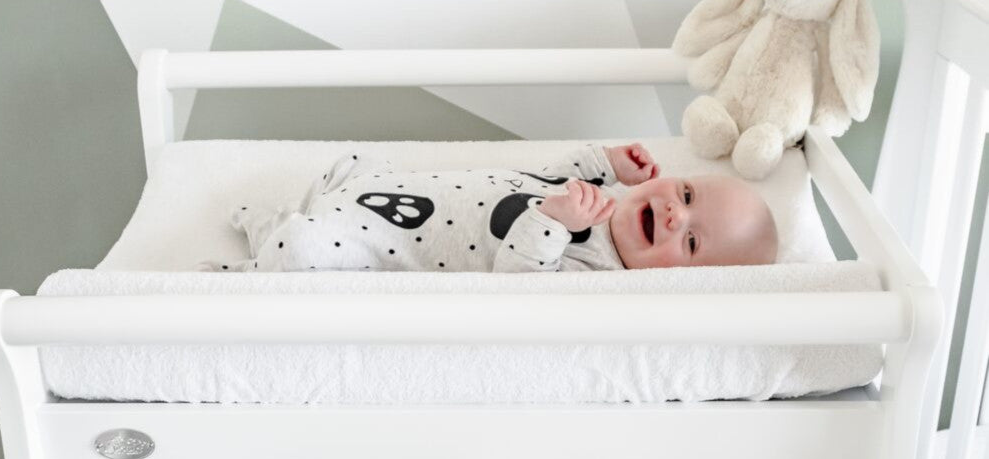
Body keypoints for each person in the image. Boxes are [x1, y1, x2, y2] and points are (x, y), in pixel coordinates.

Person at [213, 142, 778, 274]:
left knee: (304, 251)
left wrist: (555, 223)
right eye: (686, 195)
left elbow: (519, 282)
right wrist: (606, 162)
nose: (677, 216)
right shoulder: (603, 198)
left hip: (382, 243)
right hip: (397, 193)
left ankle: (261, 249)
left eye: (693, 242)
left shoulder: (600, 275)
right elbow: (557, 171)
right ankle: (300, 212)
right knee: (361, 164)